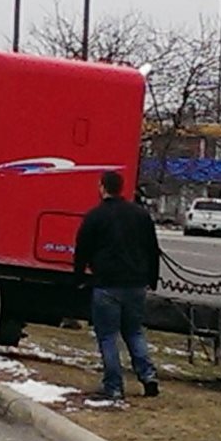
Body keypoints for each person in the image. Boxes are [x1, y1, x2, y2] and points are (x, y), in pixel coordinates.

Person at [74, 170, 160, 399]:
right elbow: (153, 249)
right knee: (134, 332)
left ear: (102, 187)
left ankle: (114, 386)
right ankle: (148, 375)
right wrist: (152, 279)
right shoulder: (140, 215)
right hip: (136, 284)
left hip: (106, 284)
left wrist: (79, 277)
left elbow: (82, 249)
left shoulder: (95, 216)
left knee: (108, 337)